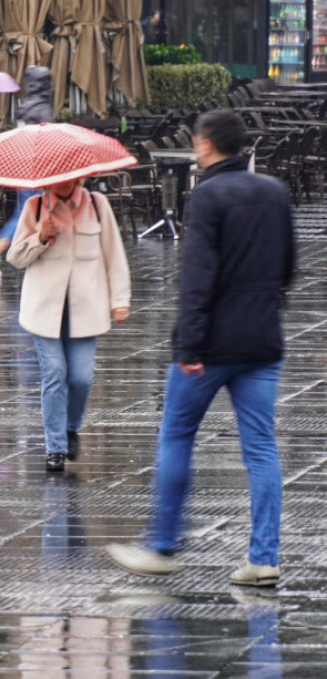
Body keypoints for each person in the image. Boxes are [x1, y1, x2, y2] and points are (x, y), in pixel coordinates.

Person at [106, 109, 295, 587]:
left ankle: (163, 545)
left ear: (206, 145)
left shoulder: (208, 195)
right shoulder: (275, 192)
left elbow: (197, 279)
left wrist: (188, 345)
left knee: (177, 435)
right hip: (263, 342)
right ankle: (264, 558)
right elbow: (289, 268)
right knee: (261, 448)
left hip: (210, 345)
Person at [7, 178, 131, 472]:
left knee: (81, 378)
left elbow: (114, 255)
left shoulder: (97, 206)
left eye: (70, 178)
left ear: (81, 178)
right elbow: (14, 258)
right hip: (44, 309)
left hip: (86, 308)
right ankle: (55, 448)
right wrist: (39, 237)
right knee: (55, 374)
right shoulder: (35, 207)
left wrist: (120, 300)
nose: (65, 183)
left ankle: (71, 427)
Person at [0, 65, 51, 278]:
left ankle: (24, 252)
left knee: (26, 211)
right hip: (37, 170)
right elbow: (44, 141)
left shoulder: (25, 106)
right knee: (26, 213)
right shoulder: (43, 108)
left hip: (23, 168)